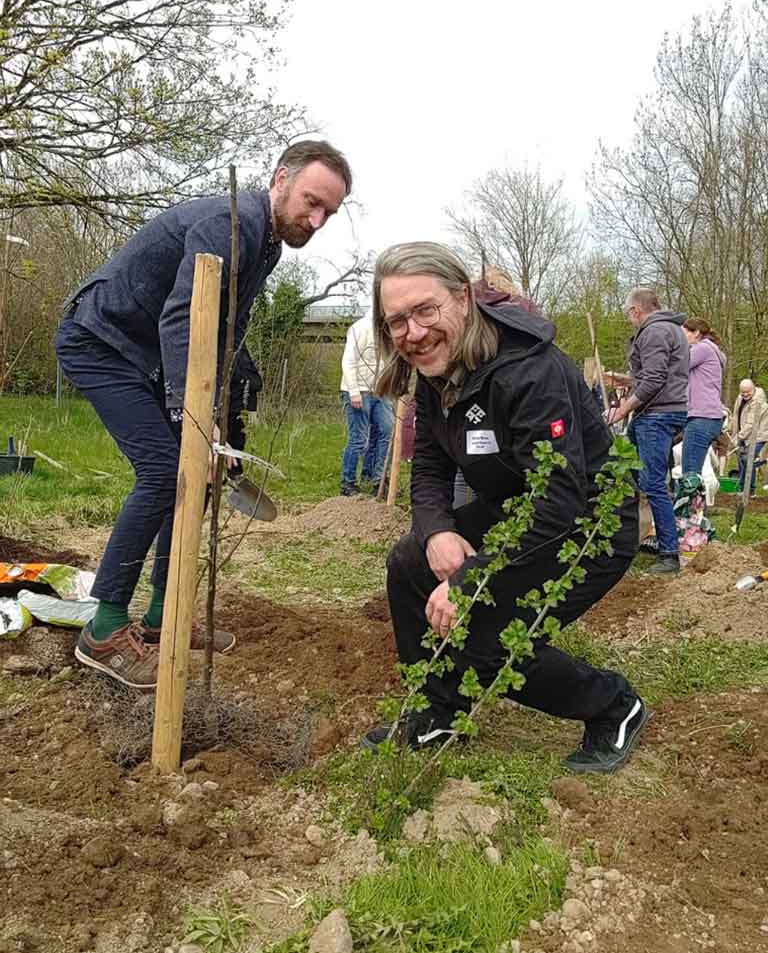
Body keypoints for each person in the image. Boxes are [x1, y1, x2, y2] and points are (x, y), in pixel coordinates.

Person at [55, 140, 352, 688]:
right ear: (280, 179)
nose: (316, 220)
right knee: (167, 470)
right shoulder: (228, 224)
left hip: (141, 352)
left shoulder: (266, 244)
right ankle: (104, 629)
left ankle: (162, 618)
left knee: (199, 475)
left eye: (328, 213)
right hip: (99, 340)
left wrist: (224, 418)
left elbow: (225, 329)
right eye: (311, 201)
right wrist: (192, 415)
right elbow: (182, 319)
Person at [361, 242, 648, 775]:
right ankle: (435, 711)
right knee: (407, 564)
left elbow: (558, 499)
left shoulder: (530, 374)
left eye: (425, 310)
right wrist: (436, 534)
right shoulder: (433, 372)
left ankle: (613, 705)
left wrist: (470, 579)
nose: (414, 333)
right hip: (513, 511)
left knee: (487, 638)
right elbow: (428, 468)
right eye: (396, 321)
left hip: (587, 525)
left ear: (463, 299)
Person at [605, 288, 689, 575]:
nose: (630, 320)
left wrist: (622, 410)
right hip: (656, 413)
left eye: (629, 314)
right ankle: (631, 538)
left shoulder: (653, 332)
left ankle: (669, 554)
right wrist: (622, 379)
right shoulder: (671, 329)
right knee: (628, 474)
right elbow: (654, 375)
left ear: (636, 311)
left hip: (657, 415)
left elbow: (653, 380)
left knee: (652, 484)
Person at [339, 312, 394, 495]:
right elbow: (348, 361)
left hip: (381, 390)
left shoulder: (389, 330)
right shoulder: (360, 328)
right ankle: (348, 482)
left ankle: (376, 479)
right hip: (359, 391)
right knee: (359, 439)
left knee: (386, 431)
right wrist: (354, 391)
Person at [680, 318, 725, 476]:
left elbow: (677, 367)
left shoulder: (702, 348)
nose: (681, 338)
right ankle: (696, 501)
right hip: (710, 417)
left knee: (690, 474)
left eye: (683, 333)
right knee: (694, 472)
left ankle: (691, 501)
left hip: (701, 416)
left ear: (696, 333)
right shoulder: (713, 350)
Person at [731, 379, 768, 493]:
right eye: (743, 392)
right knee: (742, 461)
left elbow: (751, 425)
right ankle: (742, 488)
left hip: (758, 435)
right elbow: (736, 415)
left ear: (754, 389)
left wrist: (739, 436)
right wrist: (733, 432)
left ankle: (749, 489)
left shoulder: (758, 402)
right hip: (744, 435)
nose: (745, 394)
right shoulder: (740, 398)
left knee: (748, 459)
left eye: (748, 392)